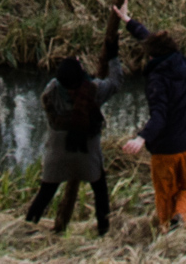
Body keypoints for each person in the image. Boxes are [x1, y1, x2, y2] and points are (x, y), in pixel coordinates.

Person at [113, 2, 186, 228]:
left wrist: (141, 137)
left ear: (153, 57)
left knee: (165, 194)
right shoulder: (181, 62)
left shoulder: (157, 80)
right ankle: (180, 217)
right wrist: (128, 21)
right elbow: (153, 39)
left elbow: (160, 116)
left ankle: (166, 232)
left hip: (166, 151)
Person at [24, 46, 123, 236]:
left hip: (57, 153)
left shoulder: (50, 91)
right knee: (100, 191)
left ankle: (28, 225)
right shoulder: (93, 90)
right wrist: (113, 59)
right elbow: (115, 83)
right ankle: (103, 230)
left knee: (45, 193)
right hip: (87, 152)